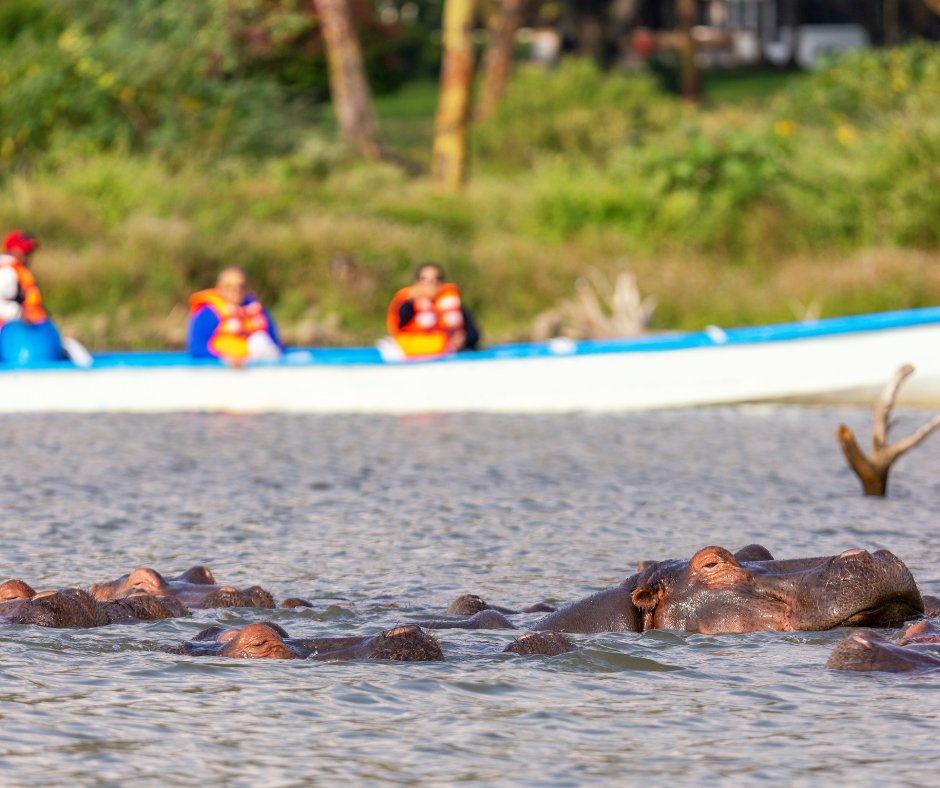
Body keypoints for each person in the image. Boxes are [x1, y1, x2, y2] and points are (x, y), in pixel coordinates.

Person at [187, 267, 283, 365]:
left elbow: (276, 344)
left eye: (241, 286)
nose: (236, 291)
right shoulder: (207, 314)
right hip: (222, 367)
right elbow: (197, 349)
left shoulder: (258, 311)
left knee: (259, 340)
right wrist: (226, 360)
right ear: (219, 287)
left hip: (258, 363)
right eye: (229, 286)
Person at [386, 263, 480, 357]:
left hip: (446, 355)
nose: (431, 284)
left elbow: (473, 335)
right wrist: (411, 301)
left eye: (436, 279)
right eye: (425, 279)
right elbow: (399, 324)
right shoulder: (408, 304)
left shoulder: (450, 302)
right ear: (416, 283)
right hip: (412, 354)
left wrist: (463, 342)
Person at [0, 230, 48, 327]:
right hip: (9, 333)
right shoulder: (7, 273)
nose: (28, 257)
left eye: (30, 252)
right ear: (13, 250)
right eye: (25, 252)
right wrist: (21, 314)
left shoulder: (17, 271)